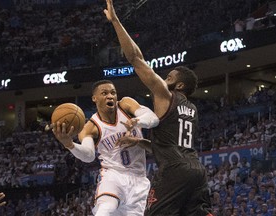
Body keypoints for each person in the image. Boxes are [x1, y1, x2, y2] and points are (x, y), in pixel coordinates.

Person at [104, 0, 213, 215]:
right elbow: (168, 145)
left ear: (179, 85)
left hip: (173, 171)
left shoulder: (165, 94)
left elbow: (135, 58)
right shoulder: (192, 109)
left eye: (169, 77)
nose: (163, 79)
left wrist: (115, 21)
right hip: (197, 172)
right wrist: (138, 142)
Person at [52, 79, 159, 216]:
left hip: (139, 180)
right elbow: (89, 156)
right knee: (105, 209)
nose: (110, 96)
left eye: (113, 93)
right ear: (94, 98)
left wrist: (137, 121)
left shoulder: (126, 105)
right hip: (113, 175)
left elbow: (153, 119)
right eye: (104, 93)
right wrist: (69, 144)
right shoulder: (90, 127)